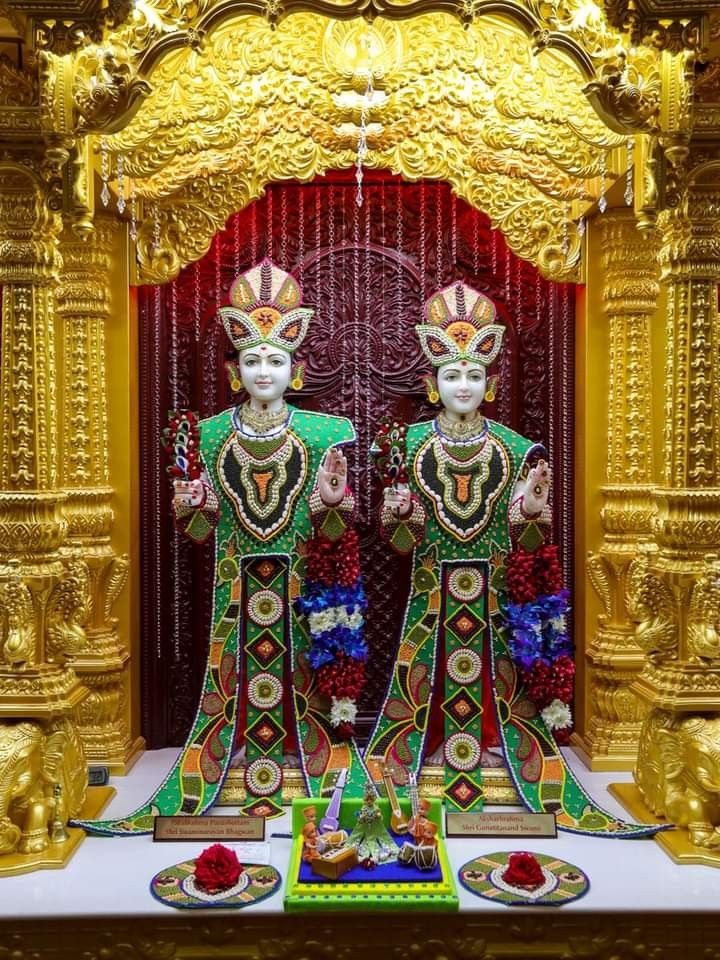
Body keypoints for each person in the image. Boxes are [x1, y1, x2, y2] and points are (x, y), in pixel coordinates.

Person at [76, 260, 368, 835]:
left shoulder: (326, 433)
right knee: (232, 669)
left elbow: (338, 533)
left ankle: (303, 756)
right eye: (253, 361)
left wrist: (333, 503)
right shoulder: (207, 435)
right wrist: (194, 506)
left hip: (305, 587)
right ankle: (233, 755)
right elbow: (197, 536)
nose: (265, 372)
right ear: (235, 371)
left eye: (276, 361)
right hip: (234, 586)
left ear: (296, 369)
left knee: (308, 670)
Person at [363, 281, 662, 837]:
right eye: (451, 375)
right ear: (431, 383)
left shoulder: (519, 451)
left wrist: (529, 515)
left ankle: (496, 749)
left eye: (474, 375)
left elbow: (530, 549)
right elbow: (398, 545)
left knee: (499, 673)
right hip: (430, 592)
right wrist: (401, 515)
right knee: (424, 671)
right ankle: (429, 752)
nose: (463, 386)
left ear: (491, 382)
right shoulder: (402, 446)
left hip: (498, 596)